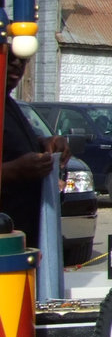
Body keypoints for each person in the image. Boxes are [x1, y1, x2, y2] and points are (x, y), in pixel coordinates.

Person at [2, 48, 70, 247]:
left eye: (23, 60)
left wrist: (44, 143)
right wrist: (15, 170)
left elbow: (11, 144)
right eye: (10, 58)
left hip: (24, 235)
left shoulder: (9, 104)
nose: (17, 65)